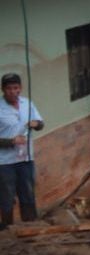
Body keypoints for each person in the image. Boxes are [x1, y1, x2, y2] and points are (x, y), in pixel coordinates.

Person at [0, 73, 43, 229]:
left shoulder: (27, 103)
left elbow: (40, 124)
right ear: (3, 89)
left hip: (26, 158)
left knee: (28, 192)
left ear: (21, 88)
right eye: (9, 88)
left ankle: (31, 225)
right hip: (5, 162)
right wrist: (11, 141)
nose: (13, 91)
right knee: (7, 196)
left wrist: (36, 123)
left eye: (16, 88)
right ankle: (7, 229)